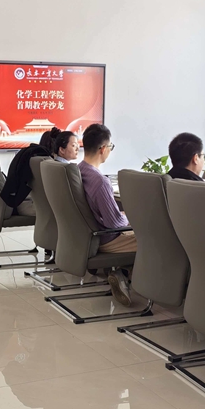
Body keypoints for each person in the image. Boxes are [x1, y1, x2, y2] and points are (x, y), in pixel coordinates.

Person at [78, 123, 136, 306]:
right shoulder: (100, 181)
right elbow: (115, 224)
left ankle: (122, 273)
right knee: (155, 240)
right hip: (107, 238)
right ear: (103, 149)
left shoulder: (78, 170)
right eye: (111, 146)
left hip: (89, 235)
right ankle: (124, 276)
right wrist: (131, 217)